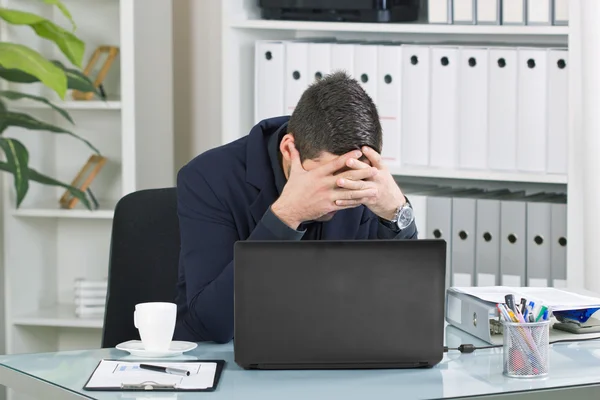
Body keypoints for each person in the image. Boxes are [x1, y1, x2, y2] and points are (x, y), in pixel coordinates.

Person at [173, 71, 418, 344]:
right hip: (241, 364)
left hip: (339, 356)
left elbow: (401, 310)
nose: (337, 198)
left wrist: (397, 213)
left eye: (349, 183)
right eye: (326, 180)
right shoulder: (208, 178)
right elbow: (210, 326)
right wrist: (286, 217)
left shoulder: (363, 180)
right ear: (289, 149)